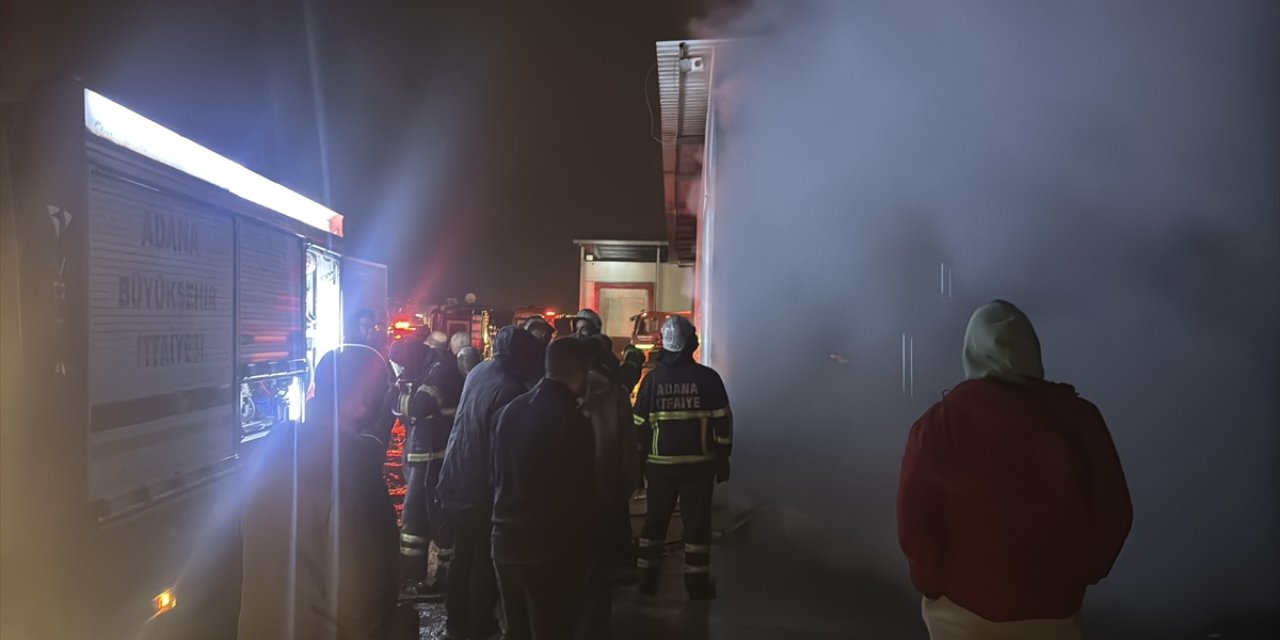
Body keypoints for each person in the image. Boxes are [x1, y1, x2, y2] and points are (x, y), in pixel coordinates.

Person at [897, 300, 1132, 640]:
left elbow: (914, 519)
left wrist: (932, 582)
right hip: (1053, 606)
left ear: (972, 352)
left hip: (961, 610)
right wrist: (1081, 573)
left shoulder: (937, 425)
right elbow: (1114, 510)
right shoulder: (1079, 419)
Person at [238, 345, 398, 640]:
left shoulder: (275, 446)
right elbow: (360, 595)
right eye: (384, 390)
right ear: (362, 401)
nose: (389, 399)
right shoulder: (351, 466)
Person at [436, 326, 543, 640]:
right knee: (484, 562)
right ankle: (479, 627)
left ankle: (456, 623)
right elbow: (502, 450)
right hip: (481, 490)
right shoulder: (511, 390)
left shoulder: (479, 371)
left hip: (455, 479)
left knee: (461, 557)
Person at [491, 337, 597, 640]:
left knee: (516, 632)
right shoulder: (574, 422)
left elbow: (495, 475)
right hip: (549, 553)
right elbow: (579, 497)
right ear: (580, 371)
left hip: (505, 546)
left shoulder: (512, 410)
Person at [633, 316, 732, 600]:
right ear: (691, 343)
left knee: (654, 524)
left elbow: (638, 424)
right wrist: (723, 456)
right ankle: (697, 586)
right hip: (699, 466)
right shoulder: (708, 379)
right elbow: (723, 422)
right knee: (697, 526)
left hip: (660, 467)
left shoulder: (651, 381)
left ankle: (646, 582)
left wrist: (639, 465)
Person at [577, 336, 643, 637]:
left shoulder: (566, 390)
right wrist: (629, 483)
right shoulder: (614, 392)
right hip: (607, 491)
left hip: (571, 496)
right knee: (600, 569)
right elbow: (628, 446)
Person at [395, 331, 466, 598]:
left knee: (434, 519)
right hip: (423, 456)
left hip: (436, 458)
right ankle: (413, 577)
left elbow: (417, 407)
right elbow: (396, 405)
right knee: (416, 522)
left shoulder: (441, 371)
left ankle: (447, 578)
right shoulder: (426, 369)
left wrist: (406, 393)